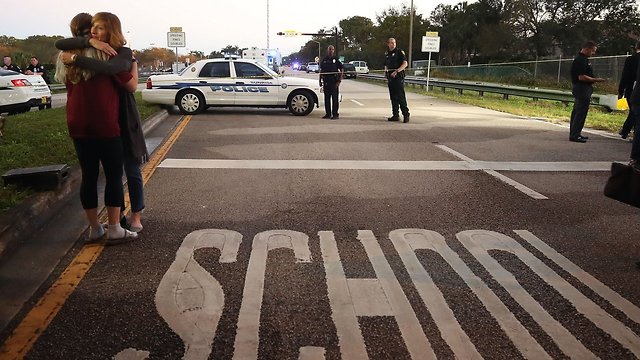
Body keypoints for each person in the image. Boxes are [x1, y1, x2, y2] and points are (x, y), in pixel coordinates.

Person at [56, 15, 148, 234]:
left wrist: (78, 56)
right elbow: (129, 84)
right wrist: (92, 44)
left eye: (99, 29)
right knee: (115, 175)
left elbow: (60, 45)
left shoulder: (68, 56)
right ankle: (116, 226)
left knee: (89, 175)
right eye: (93, 29)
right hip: (107, 123)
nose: (94, 33)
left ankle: (95, 228)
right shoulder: (109, 54)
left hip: (78, 123)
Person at [569, 41, 606, 143]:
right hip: (581, 88)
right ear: (587, 48)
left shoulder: (584, 59)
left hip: (584, 88)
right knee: (580, 112)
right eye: (593, 51)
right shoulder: (580, 60)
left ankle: (576, 132)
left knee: (578, 111)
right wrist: (596, 80)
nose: (593, 53)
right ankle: (574, 135)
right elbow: (581, 77)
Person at [617, 41, 640, 139]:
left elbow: (625, 76)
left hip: (632, 89)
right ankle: (627, 131)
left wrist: (621, 91)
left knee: (634, 111)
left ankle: (626, 131)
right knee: (635, 113)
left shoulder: (631, 59)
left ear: (636, 47)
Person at [384, 37, 410, 123]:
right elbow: (386, 64)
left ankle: (406, 114)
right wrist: (386, 70)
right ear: (388, 44)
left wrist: (397, 71)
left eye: (394, 42)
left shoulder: (399, 52)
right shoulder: (387, 53)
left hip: (398, 77)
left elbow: (405, 64)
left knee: (400, 97)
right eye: (391, 42)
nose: (393, 44)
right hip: (390, 78)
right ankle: (395, 115)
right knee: (393, 97)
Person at [319, 45, 343, 120]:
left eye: (332, 49)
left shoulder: (336, 59)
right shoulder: (324, 60)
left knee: (335, 99)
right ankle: (328, 114)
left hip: (334, 82)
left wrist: (339, 81)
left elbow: (341, 69)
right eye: (329, 49)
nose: (331, 51)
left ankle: (335, 114)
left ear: (333, 51)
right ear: (327, 50)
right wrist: (320, 80)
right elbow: (321, 71)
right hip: (326, 82)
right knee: (327, 99)